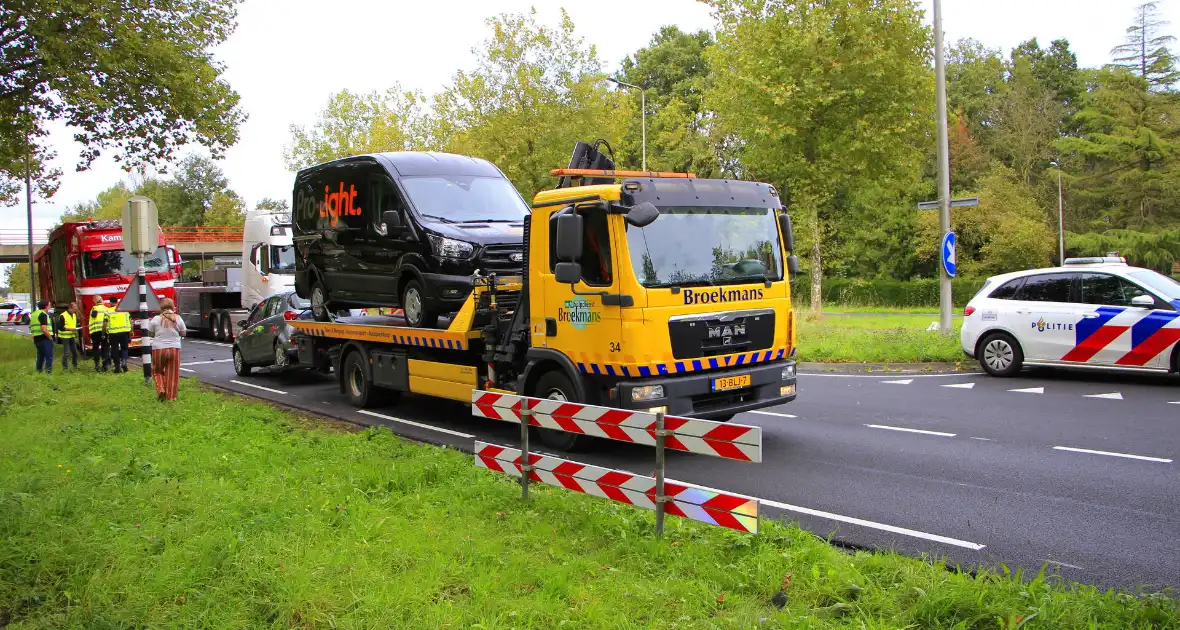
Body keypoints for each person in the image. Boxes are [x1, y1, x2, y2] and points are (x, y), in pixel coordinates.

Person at [144, 298, 186, 401]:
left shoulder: (156, 319)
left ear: (161, 307)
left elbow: (149, 333)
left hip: (158, 349)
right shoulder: (178, 318)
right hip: (174, 349)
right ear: (172, 307)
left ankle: (161, 389)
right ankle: (171, 397)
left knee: (157, 370)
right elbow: (183, 333)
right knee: (172, 374)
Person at [105, 303, 132, 373]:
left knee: (115, 350)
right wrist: (131, 331)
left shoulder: (108, 311)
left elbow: (105, 324)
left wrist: (104, 333)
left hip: (113, 333)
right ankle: (124, 361)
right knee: (125, 348)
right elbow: (130, 322)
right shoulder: (125, 311)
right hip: (124, 332)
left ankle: (117, 368)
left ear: (110, 303)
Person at [29, 299, 54, 374]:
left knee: (40, 357)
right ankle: (48, 373)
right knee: (49, 357)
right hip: (45, 339)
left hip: (37, 339)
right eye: (49, 305)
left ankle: (38, 372)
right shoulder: (43, 314)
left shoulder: (34, 314)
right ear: (46, 306)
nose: (50, 306)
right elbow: (44, 329)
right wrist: (50, 338)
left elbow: (30, 326)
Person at [89, 297, 111, 371]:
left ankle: (97, 365)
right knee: (105, 348)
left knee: (95, 348)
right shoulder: (106, 309)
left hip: (95, 331)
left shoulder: (94, 309)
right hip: (104, 331)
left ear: (95, 301)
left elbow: (93, 318)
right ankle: (105, 365)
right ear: (101, 300)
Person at [57, 302, 81, 371]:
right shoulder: (63, 315)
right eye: (75, 308)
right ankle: (65, 367)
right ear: (70, 308)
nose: (76, 309)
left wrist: (76, 329)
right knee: (66, 352)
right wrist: (70, 329)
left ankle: (75, 366)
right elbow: (60, 327)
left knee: (75, 352)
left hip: (72, 336)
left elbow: (74, 325)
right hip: (65, 337)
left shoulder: (74, 315)